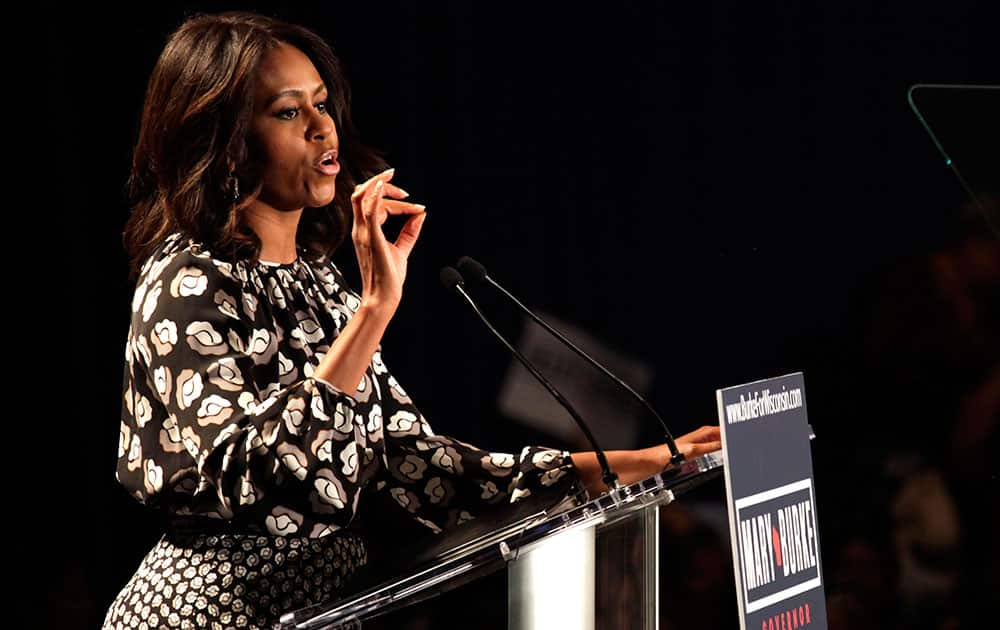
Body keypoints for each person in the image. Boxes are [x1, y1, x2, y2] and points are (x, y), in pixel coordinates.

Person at [103, 10, 722, 629]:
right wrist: (374, 311)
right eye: (290, 112)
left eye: (323, 104)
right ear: (227, 140)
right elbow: (260, 477)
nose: (325, 128)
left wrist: (633, 464)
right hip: (213, 615)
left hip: (317, 613)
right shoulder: (188, 283)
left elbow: (417, 469)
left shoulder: (317, 283)